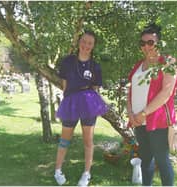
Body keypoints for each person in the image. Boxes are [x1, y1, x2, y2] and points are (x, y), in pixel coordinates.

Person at [127, 23, 177, 186]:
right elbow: (131, 91)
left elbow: (166, 93)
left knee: (162, 160)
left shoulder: (168, 63)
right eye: (142, 43)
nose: (146, 46)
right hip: (138, 120)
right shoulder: (138, 65)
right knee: (145, 159)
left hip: (158, 121)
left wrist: (143, 113)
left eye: (150, 42)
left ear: (159, 42)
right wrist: (130, 114)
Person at [54, 30, 108, 186]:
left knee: (88, 140)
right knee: (65, 139)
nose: (86, 45)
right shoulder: (67, 61)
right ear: (79, 42)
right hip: (71, 103)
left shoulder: (95, 66)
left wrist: (93, 103)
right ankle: (58, 170)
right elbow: (64, 85)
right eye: (84, 41)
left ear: (93, 46)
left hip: (89, 104)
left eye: (90, 43)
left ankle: (86, 173)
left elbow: (96, 88)